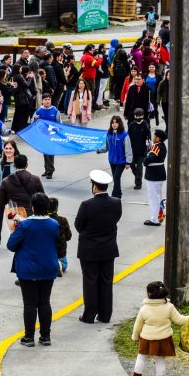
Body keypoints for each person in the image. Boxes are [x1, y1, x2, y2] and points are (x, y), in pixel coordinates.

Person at [7, 192, 60, 347]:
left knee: (30, 304)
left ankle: (29, 337)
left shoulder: (25, 225)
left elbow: (11, 245)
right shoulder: (54, 224)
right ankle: (45, 336)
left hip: (28, 269)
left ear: (33, 207)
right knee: (44, 302)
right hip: (48, 267)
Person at [75, 169, 122, 324]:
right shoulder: (116, 203)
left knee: (90, 282)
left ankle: (89, 315)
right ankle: (105, 314)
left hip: (89, 250)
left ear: (94, 187)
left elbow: (78, 225)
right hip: (108, 249)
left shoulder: (87, 205)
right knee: (106, 282)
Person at [127, 280, 189, 376]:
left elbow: (137, 326)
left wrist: (135, 337)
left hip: (147, 339)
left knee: (141, 358)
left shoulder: (144, 309)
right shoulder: (169, 307)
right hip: (163, 339)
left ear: (150, 294)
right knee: (160, 360)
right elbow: (180, 320)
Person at [99, 116, 132, 199]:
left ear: (119, 123)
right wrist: (98, 150)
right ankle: (119, 192)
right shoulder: (109, 134)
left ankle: (115, 196)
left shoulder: (124, 135)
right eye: (112, 123)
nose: (114, 124)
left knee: (116, 177)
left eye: (116, 122)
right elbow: (106, 147)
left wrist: (128, 162)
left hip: (121, 161)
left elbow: (128, 149)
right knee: (115, 178)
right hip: (112, 160)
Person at [142, 128, 167, 226]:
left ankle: (154, 219)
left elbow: (149, 159)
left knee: (153, 198)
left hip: (154, 175)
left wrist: (145, 161)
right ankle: (159, 217)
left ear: (158, 138)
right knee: (157, 197)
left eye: (155, 136)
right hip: (158, 174)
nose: (153, 137)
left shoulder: (156, 147)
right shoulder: (161, 146)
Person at [32, 93, 60, 179]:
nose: (47, 101)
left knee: (50, 153)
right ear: (42, 101)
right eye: (45, 100)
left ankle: (50, 170)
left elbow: (60, 123)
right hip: (43, 136)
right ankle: (47, 169)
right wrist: (35, 119)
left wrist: (58, 134)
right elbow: (32, 123)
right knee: (45, 153)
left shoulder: (55, 111)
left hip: (52, 135)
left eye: (49, 99)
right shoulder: (38, 111)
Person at [47, 196, 72, 274]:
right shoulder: (63, 220)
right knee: (63, 263)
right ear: (56, 208)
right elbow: (68, 236)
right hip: (60, 252)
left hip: (47, 253)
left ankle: (50, 265)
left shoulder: (44, 220)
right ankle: (60, 265)